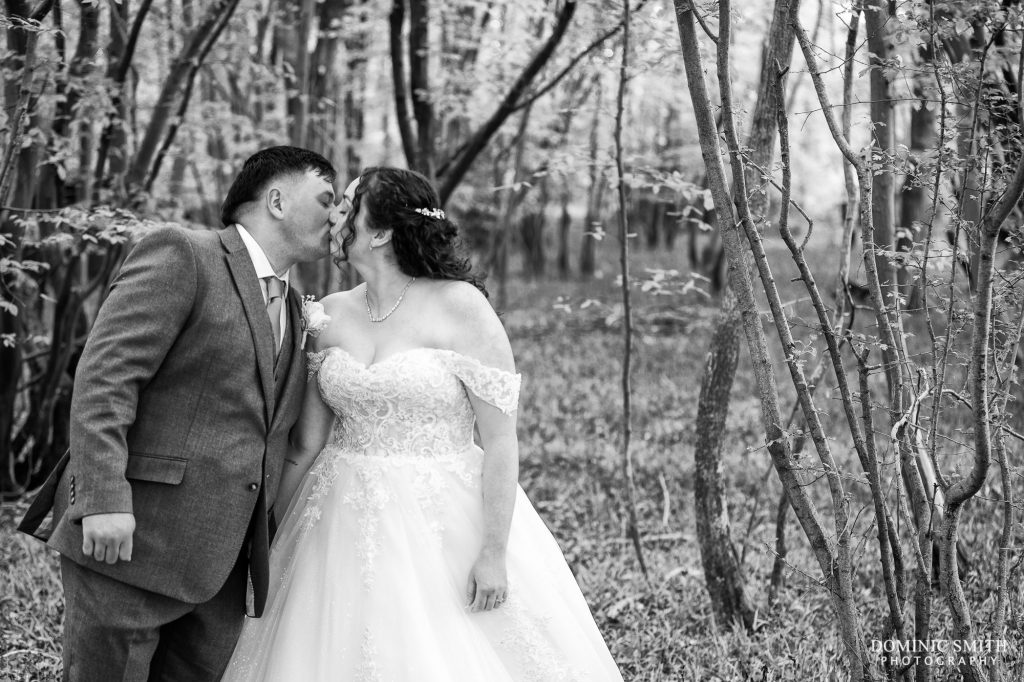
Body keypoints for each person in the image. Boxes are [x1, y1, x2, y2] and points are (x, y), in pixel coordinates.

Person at [222, 167, 623, 681]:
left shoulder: (462, 307)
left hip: (443, 519)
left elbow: (500, 442)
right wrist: (267, 536)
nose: (335, 215)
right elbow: (307, 442)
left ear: (382, 230)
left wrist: (493, 552)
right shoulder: (325, 316)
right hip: (334, 517)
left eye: (347, 204)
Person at [17, 146, 339, 681]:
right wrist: (101, 500)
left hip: (222, 572)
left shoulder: (300, 306)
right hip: (133, 543)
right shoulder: (184, 254)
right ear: (276, 200)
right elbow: (106, 377)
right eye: (326, 198)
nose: (336, 215)